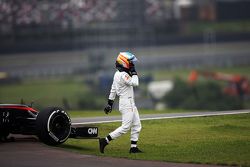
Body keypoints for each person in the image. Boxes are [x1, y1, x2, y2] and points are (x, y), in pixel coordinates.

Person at [99, 52, 142, 154]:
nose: (132, 64)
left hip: (128, 102)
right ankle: (105, 140)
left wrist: (110, 103)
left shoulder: (117, 74)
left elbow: (113, 89)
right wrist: (134, 72)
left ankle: (133, 148)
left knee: (137, 125)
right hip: (127, 103)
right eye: (130, 62)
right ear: (124, 62)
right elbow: (135, 83)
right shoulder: (123, 75)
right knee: (125, 127)